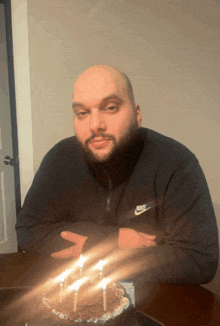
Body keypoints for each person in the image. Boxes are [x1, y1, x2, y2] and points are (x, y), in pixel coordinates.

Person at [16, 64, 219, 285]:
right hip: (76, 293)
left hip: (155, 300)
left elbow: (199, 259)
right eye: (82, 113)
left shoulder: (176, 163)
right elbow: (29, 230)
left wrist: (92, 250)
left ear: (137, 114)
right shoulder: (60, 159)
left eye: (110, 108)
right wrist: (113, 240)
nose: (95, 125)